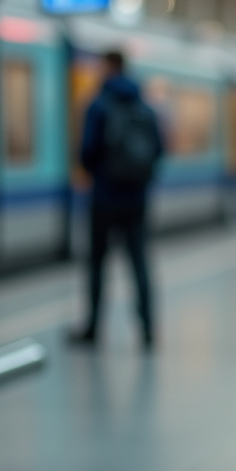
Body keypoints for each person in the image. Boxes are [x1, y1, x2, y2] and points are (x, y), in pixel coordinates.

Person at [71, 50, 163, 350]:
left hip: (104, 197)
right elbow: (159, 150)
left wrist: (98, 171)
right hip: (137, 198)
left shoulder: (98, 105)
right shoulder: (145, 107)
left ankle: (94, 329)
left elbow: (86, 151)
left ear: (108, 67)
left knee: (98, 263)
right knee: (139, 262)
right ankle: (147, 329)